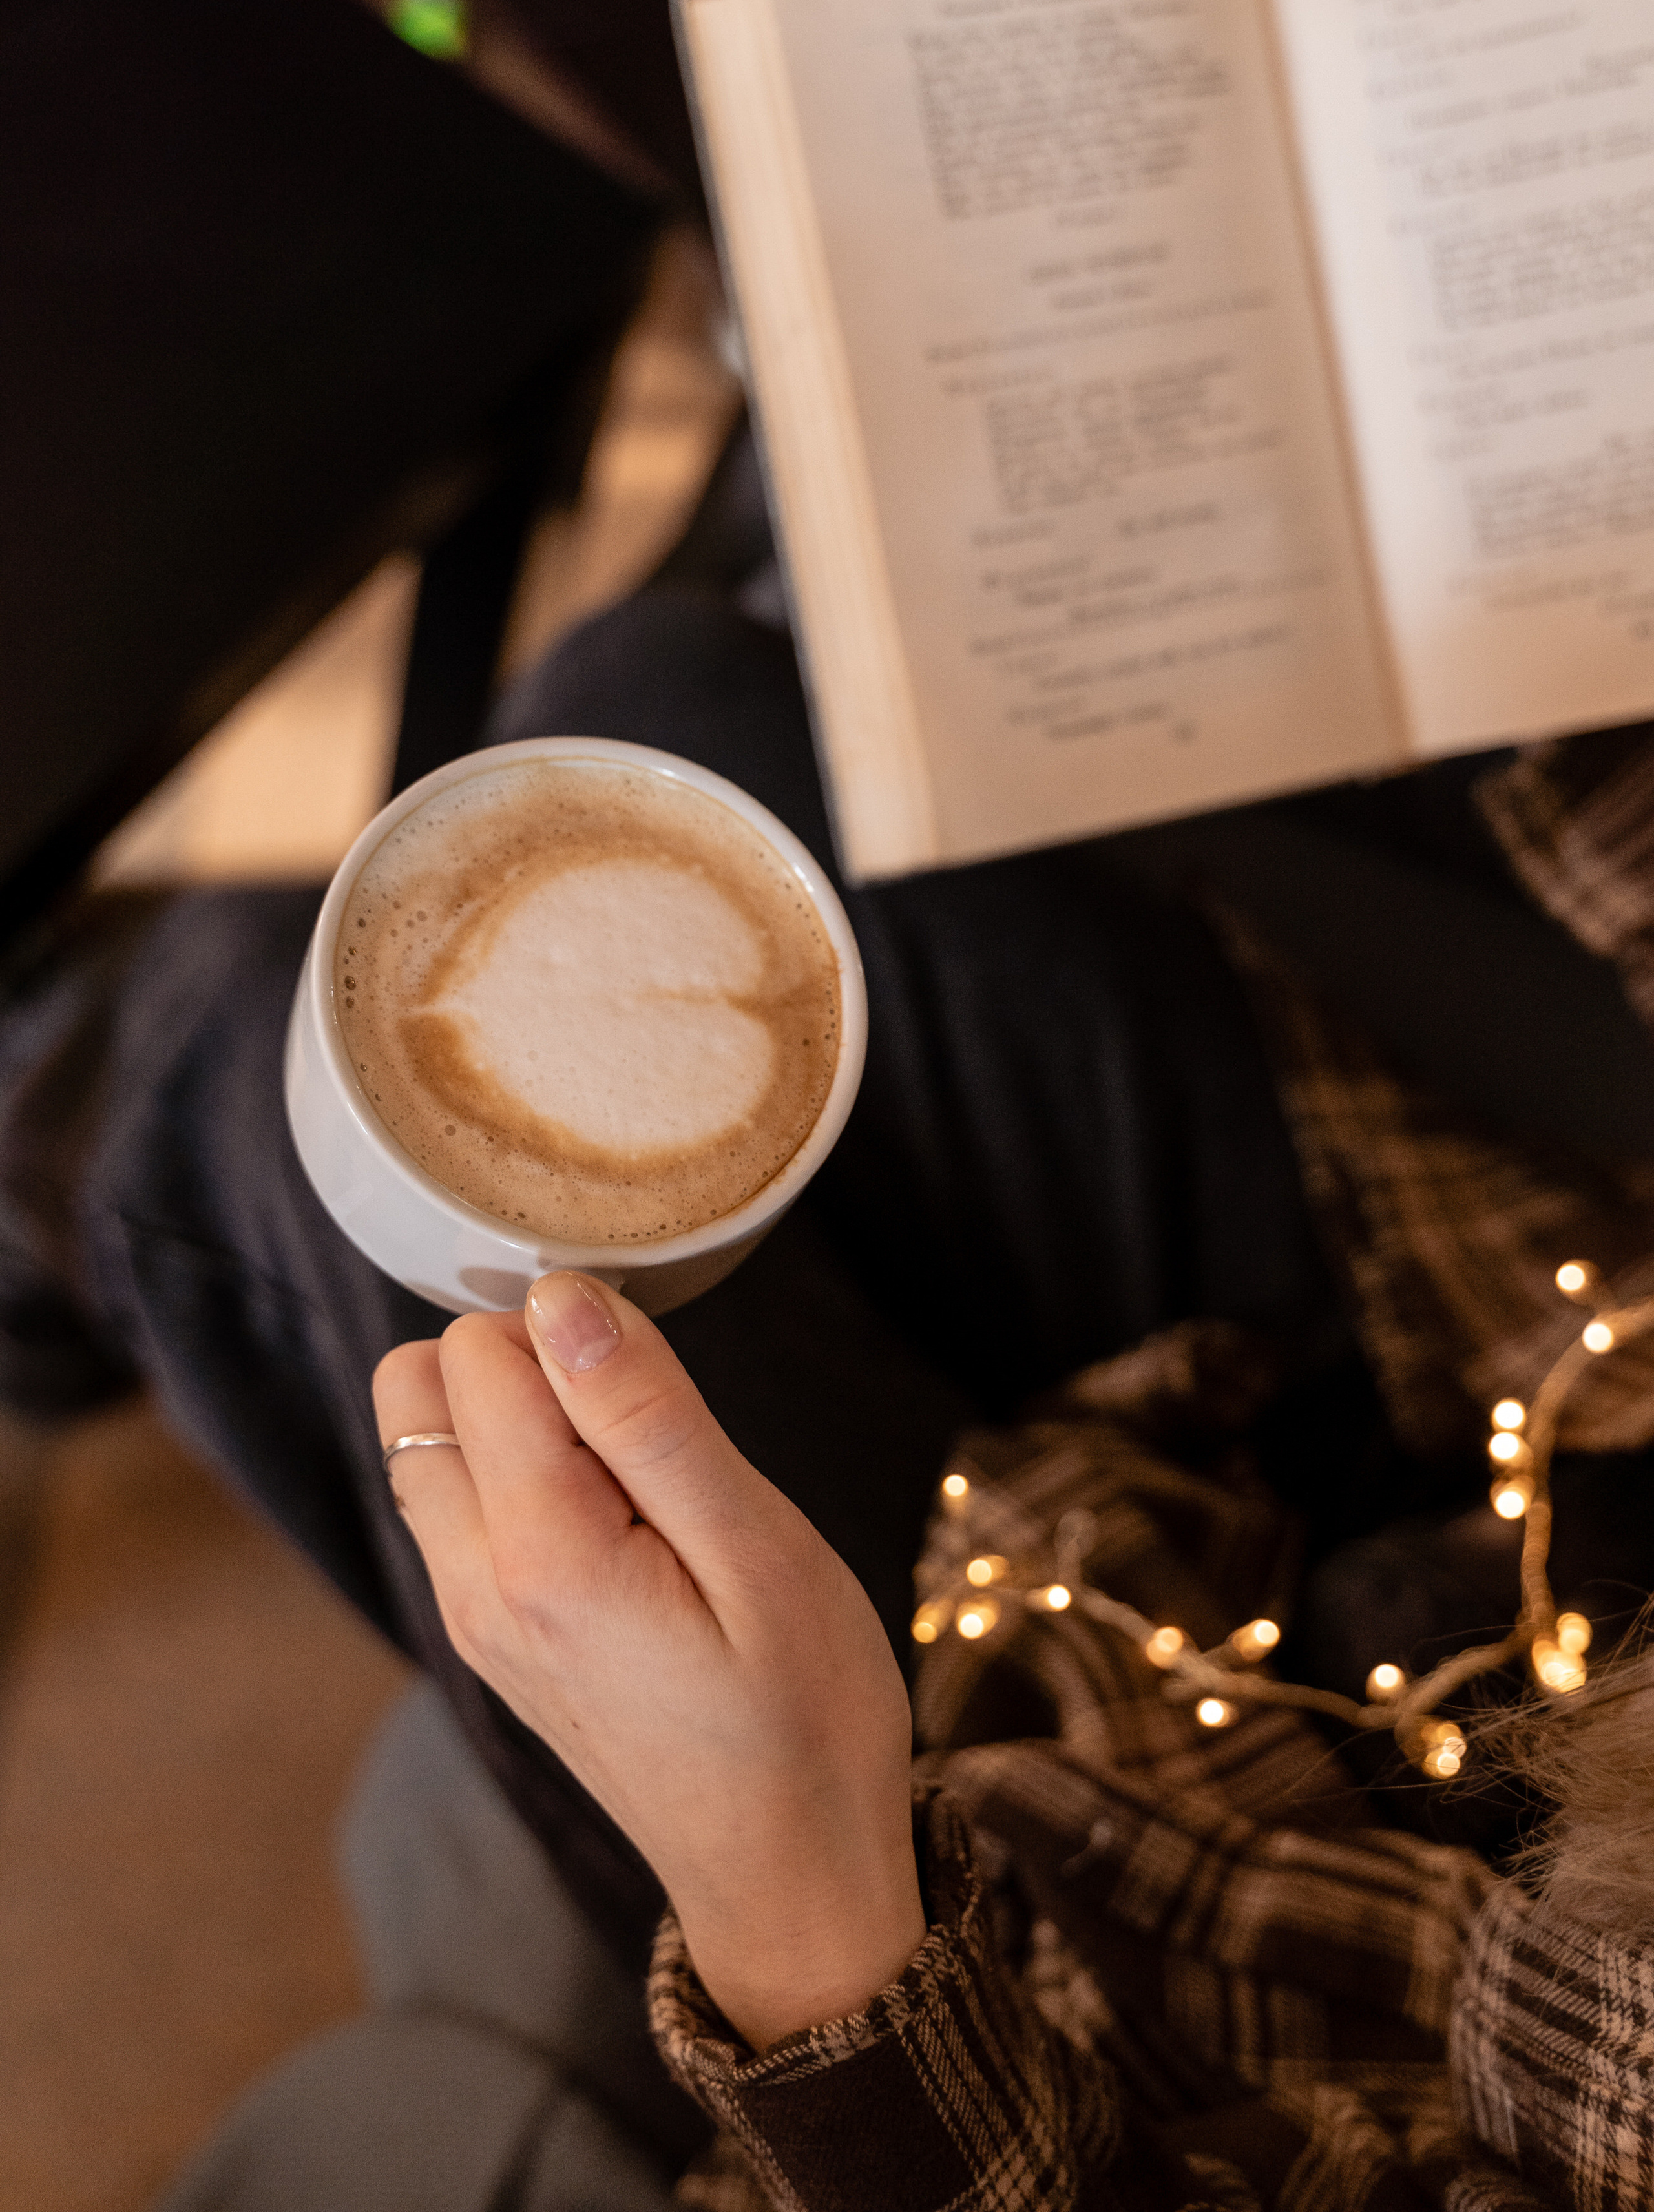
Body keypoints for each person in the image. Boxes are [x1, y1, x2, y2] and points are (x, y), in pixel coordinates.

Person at [5, 572, 1654, 2207]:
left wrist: (807, 1929)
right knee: (651, 696)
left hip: (1161, 1958)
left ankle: (49, 1202)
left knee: (226, 1060)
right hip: (1567, 1363)